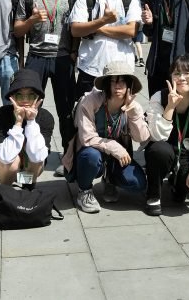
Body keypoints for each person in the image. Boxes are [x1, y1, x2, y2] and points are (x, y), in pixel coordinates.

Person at [14, 0, 78, 161]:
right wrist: (31, 21)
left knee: (66, 110)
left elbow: (75, 28)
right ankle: (30, 155)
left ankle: (68, 157)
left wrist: (75, 52)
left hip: (62, 58)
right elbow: (18, 31)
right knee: (29, 107)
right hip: (36, 58)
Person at [62, 62, 149, 214]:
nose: (117, 86)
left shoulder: (133, 106)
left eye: (122, 80)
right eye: (113, 81)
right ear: (106, 84)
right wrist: (115, 147)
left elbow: (142, 138)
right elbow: (86, 138)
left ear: (129, 85)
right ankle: (85, 191)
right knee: (91, 156)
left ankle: (110, 179)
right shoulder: (90, 101)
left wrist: (134, 114)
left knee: (138, 183)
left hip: (117, 157)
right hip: (91, 152)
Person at [145, 54, 189, 216]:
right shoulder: (159, 97)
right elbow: (156, 136)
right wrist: (170, 107)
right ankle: (153, 194)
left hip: (188, 153)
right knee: (158, 151)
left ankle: (178, 186)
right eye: (177, 73)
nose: (182, 78)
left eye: (187, 73)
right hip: (165, 148)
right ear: (170, 76)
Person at [69, 0, 142, 98]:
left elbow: (131, 31)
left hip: (122, 70)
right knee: (85, 117)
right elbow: (76, 30)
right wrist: (104, 20)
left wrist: (96, 27)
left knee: (119, 117)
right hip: (91, 68)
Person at [0, 69, 54, 189]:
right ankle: (5, 191)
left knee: (35, 159)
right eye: (19, 95)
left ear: (38, 97)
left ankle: (27, 187)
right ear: (12, 98)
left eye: (31, 95)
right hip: (2, 165)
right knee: (13, 162)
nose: (25, 100)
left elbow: (38, 157)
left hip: (30, 166)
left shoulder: (46, 117)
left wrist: (31, 122)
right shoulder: (0, 115)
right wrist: (18, 122)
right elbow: (4, 157)